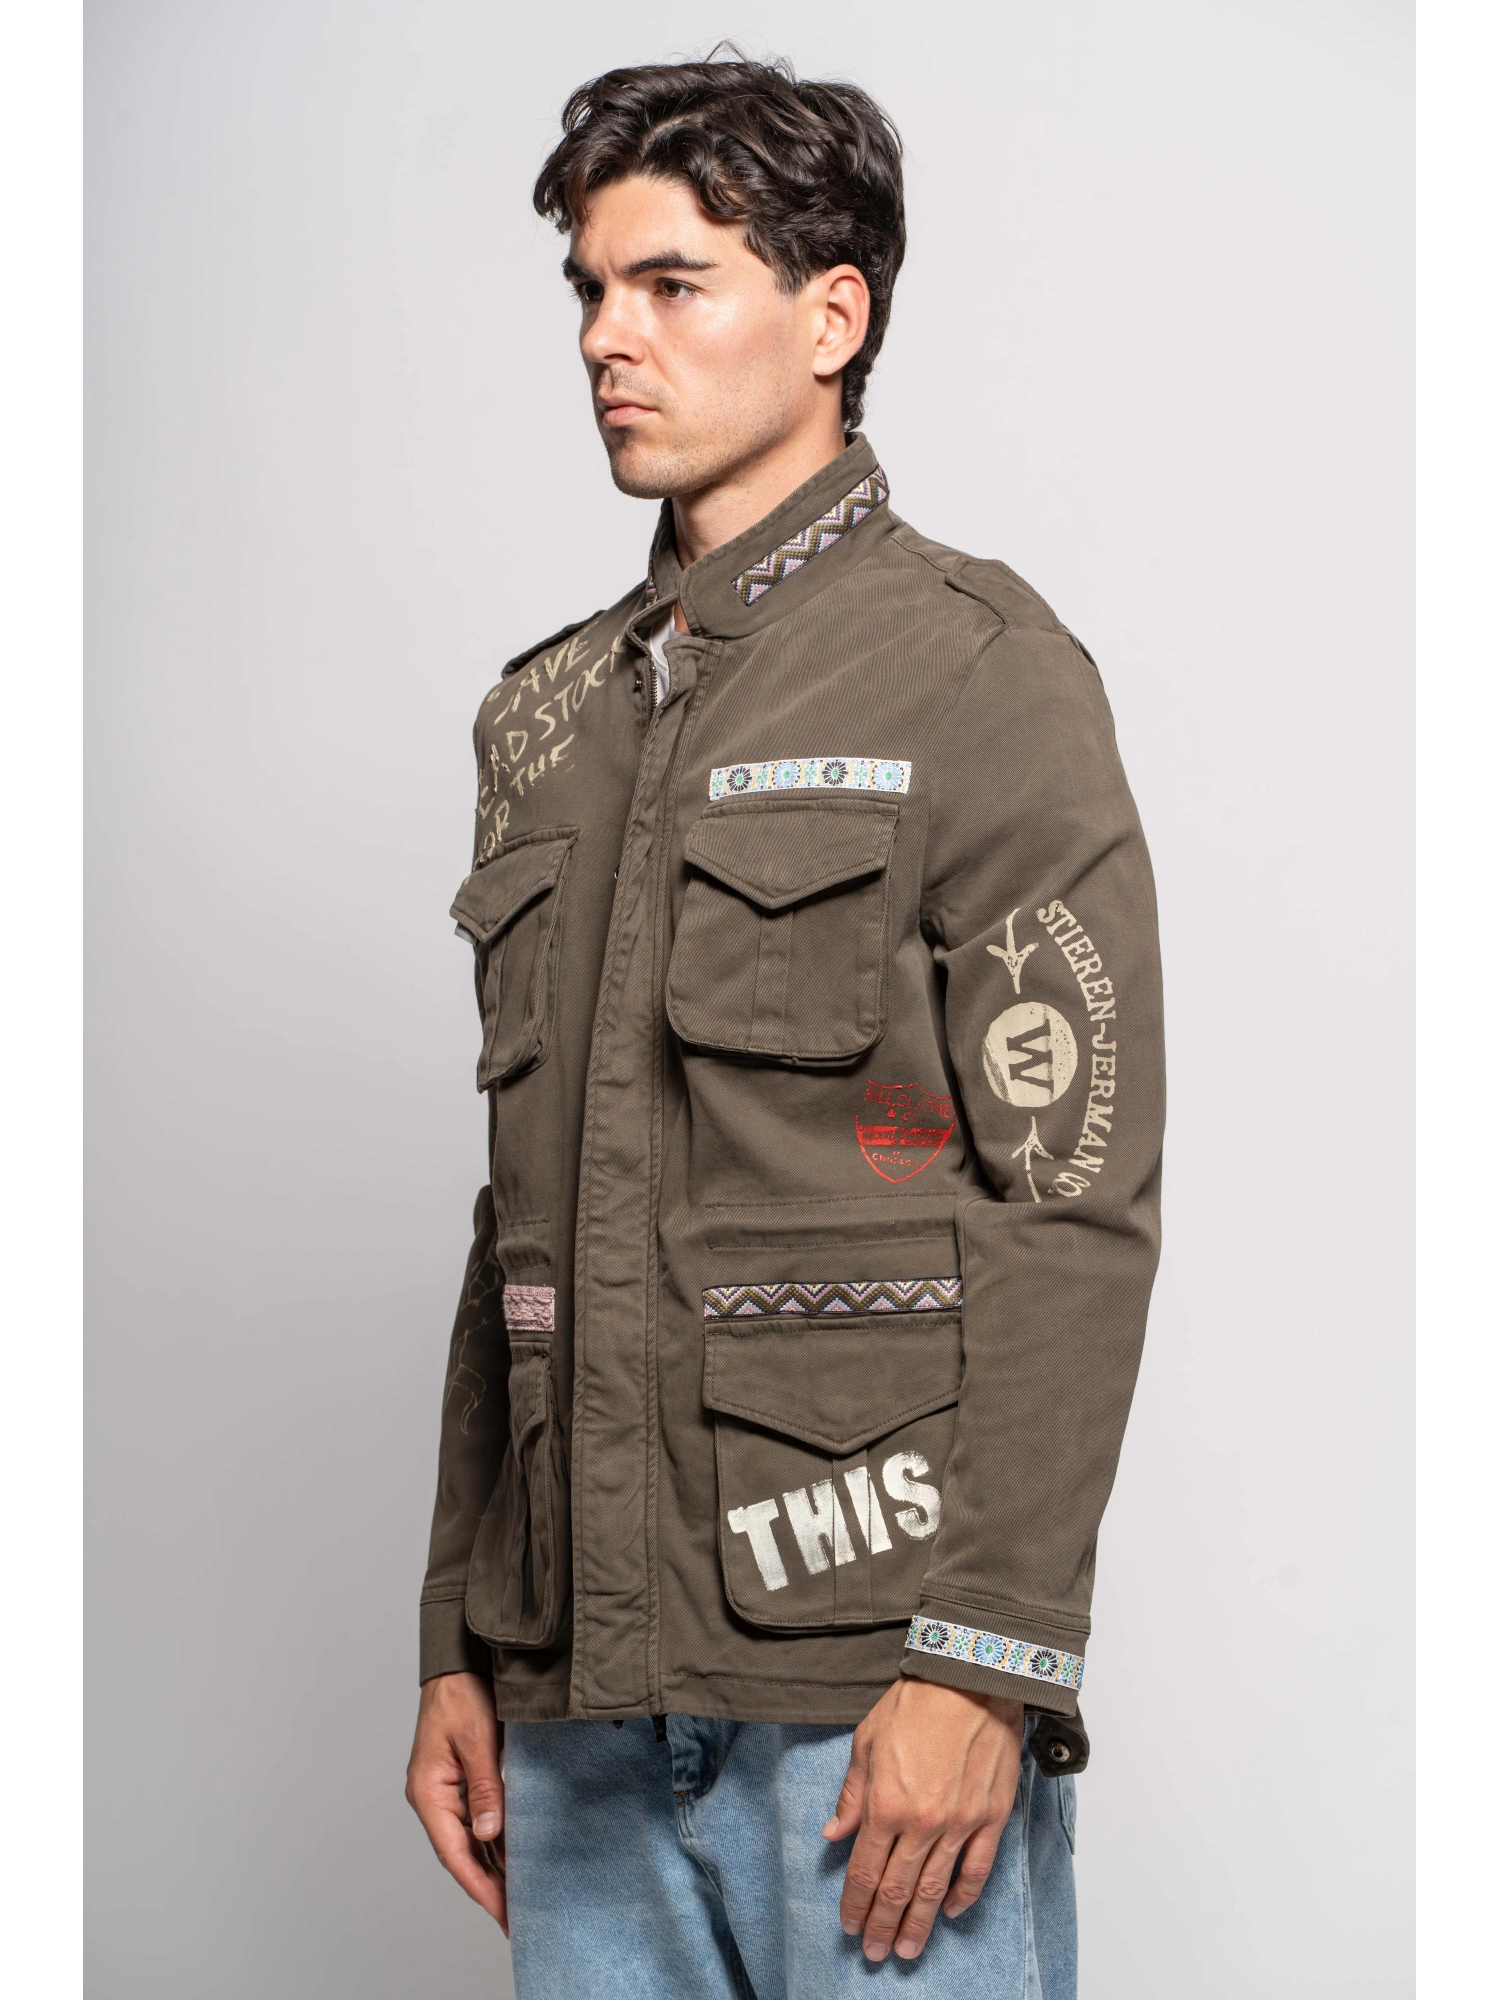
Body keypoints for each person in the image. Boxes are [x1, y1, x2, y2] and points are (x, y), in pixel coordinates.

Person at [405, 52, 1163, 1999]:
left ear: (835, 317)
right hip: (576, 1697)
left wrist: (986, 1658)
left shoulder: (979, 672)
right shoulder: (540, 722)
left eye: (672, 284)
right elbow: (518, 1221)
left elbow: (1070, 1199)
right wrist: (461, 1638)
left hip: (868, 1689)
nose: (609, 338)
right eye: (592, 289)